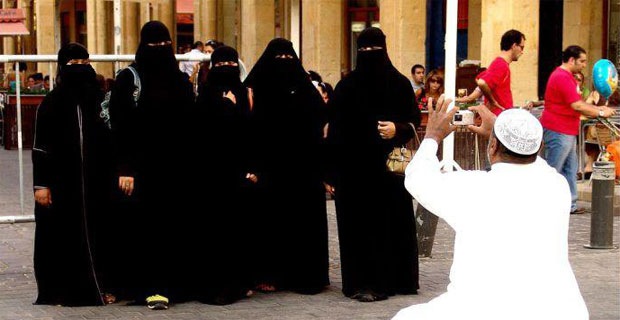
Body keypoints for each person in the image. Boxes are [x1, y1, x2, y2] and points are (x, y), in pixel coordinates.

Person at [393, 96, 589, 320]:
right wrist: (502, 133)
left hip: (483, 308)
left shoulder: (474, 188)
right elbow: (534, 158)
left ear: (493, 145)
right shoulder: (557, 187)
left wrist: (432, 136)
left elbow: (417, 178)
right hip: (561, 310)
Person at [325, 27, 420, 302]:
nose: (369, 56)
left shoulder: (399, 84)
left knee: (388, 224)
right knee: (357, 227)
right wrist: (331, 172)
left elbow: (413, 120)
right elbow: (334, 130)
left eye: (373, 50)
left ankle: (390, 280)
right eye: (364, 51)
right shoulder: (346, 86)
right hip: (353, 172)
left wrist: (397, 128)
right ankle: (359, 282)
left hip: (387, 172)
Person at [108, 21, 195, 310]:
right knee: (144, 230)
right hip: (142, 171)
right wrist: (125, 168)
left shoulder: (180, 81)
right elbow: (120, 128)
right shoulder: (129, 80)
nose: (160, 51)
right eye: (154, 46)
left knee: (174, 228)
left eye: (164, 46)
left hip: (175, 170)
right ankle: (147, 287)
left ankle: (174, 286)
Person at [244, 38, 329, 295]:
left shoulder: (305, 90)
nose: (283, 64)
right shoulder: (253, 89)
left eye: (287, 58)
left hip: (303, 168)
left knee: (303, 223)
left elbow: (321, 120)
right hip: (269, 169)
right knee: (270, 224)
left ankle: (306, 276)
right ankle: (269, 274)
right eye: (278, 59)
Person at [32, 43, 112, 306]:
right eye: (73, 64)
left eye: (84, 63)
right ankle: (63, 289)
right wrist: (41, 185)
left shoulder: (100, 100)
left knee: (101, 235)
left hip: (97, 183)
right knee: (63, 237)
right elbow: (41, 147)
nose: (80, 69)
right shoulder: (52, 103)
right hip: (62, 184)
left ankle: (102, 287)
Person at [193, 45, 254, 305]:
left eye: (230, 65)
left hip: (237, 176)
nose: (225, 70)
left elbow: (250, 133)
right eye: (220, 66)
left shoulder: (246, 93)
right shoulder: (205, 96)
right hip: (211, 177)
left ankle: (237, 283)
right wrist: (226, 107)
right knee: (213, 231)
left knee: (236, 232)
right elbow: (201, 132)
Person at [540, 45, 616, 214]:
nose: (584, 65)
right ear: (572, 60)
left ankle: (571, 203)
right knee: (553, 169)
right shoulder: (562, 77)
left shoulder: (566, 77)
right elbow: (577, 104)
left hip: (566, 130)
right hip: (558, 130)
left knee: (570, 169)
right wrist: (601, 111)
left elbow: (577, 104)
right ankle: (544, 204)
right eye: (582, 61)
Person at [476, 29, 525, 115]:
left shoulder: (500, 63)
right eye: (521, 47)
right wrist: (493, 101)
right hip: (499, 117)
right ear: (514, 46)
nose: (522, 52)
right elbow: (482, 82)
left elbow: (479, 78)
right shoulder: (500, 64)